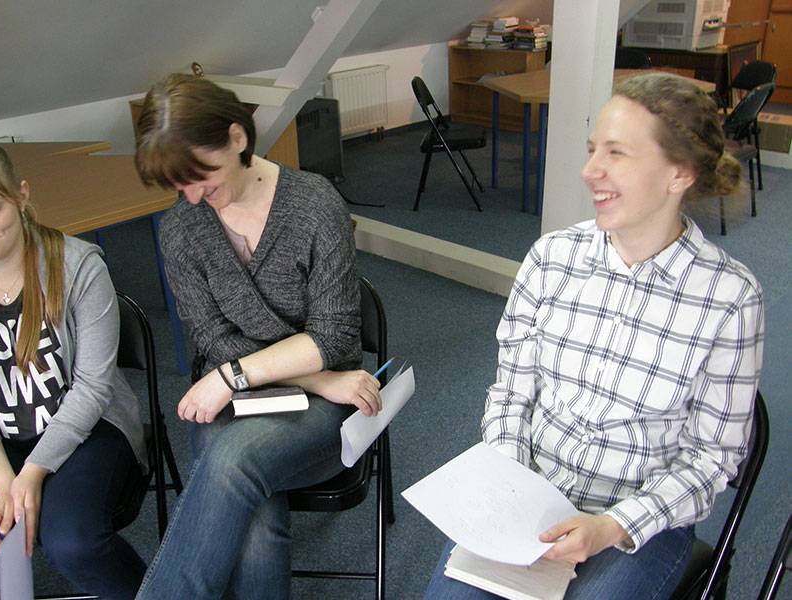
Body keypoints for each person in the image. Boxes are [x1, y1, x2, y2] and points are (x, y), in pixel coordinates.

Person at [425, 72, 764, 599]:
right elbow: (511, 394)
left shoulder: (730, 299)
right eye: (591, 150)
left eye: (617, 153)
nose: (589, 171)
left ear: (678, 173)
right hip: (534, 491)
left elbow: (710, 458)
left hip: (640, 522)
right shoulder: (551, 258)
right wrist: (511, 488)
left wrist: (612, 527)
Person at [132, 74, 382, 599]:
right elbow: (213, 337)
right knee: (252, 506)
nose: (193, 198)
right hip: (296, 388)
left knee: (233, 463)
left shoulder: (314, 206)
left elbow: (334, 337)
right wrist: (316, 379)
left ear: (237, 137)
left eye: (201, 177)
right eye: (179, 186)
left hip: (319, 411)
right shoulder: (181, 230)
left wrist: (234, 376)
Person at [0, 138, 148, 600]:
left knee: (73, 544)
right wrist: (6, 483)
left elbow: (92, 388)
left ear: (20, 195)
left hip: (83, 427)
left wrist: (33, 473)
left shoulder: (78, 266)